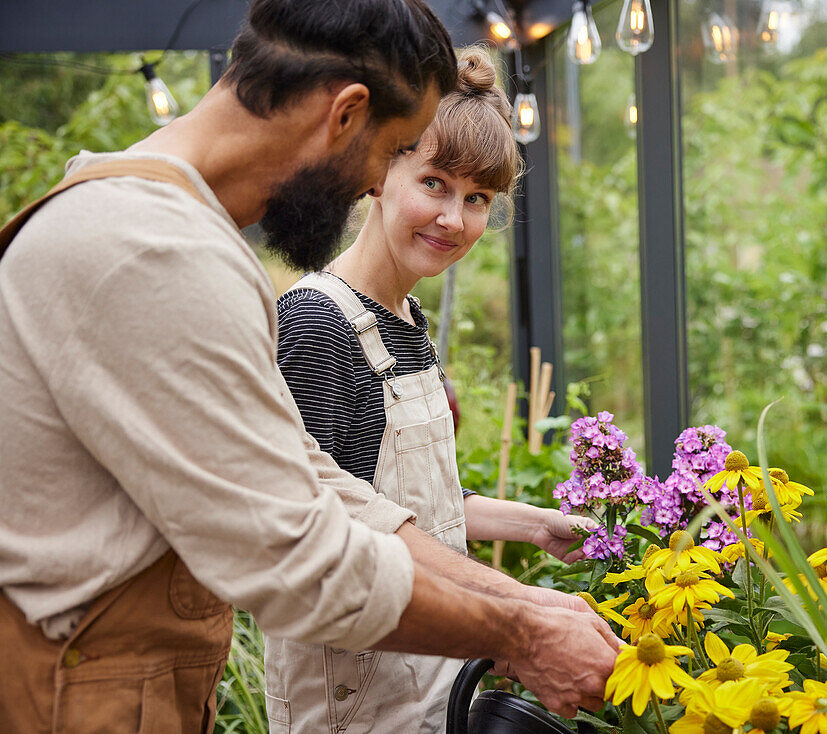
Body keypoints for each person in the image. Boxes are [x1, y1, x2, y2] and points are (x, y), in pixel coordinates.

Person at [0, 1, 618, 732]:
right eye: (393, 152)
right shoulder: (152, 251)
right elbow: (295, 556)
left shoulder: (160, 221)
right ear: (347, 114)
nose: (370, 185)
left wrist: (528, 602)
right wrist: (522, 636)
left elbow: (318, 483)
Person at [267, 46, 597, 733]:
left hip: (429, 686)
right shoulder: (317, 326)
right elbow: (314, 524)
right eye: (436, 183)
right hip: (353, 701)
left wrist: (541, 526)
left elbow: (408, 504)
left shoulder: (404, 322)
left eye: (477, 199)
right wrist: (519, 611)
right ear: (379, 171)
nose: (455, 219)